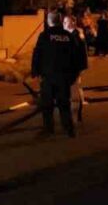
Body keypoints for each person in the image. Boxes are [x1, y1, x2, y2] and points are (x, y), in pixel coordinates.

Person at [31, 9, 82, 138]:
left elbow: (37, 54)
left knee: (47, 104)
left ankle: (49, 129)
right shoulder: (68, 36)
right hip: (64, 77)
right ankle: (69, 128)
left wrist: (35, 71)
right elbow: (76, 56)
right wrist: (74, 75)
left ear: (49, 22)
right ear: (60, 21)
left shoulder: (44, 36)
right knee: (64, 103)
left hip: (48, 76)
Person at [63, 13, 91, 115]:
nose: (64, 24)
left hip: (75, 64)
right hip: (70, 64)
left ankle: (79, 102)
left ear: (73, 22)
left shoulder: (77, 34)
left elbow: (81, 51)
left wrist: (82, 65)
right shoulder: (68, 34)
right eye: (63, 22)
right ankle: (79, 101)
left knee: (76, 83)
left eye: (66, 22)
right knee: (75, 84)